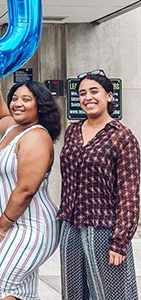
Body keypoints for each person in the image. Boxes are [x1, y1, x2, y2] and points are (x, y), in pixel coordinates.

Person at [57, 70, 140, 299]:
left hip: (104, 228)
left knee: (110, 294)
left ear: (109, 96)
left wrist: (120, 240)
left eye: (94, 91)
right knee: (73, 294)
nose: (87, 97)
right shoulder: (72, 131)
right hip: (71, 226)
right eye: (82, 93)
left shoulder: (122, 136)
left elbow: (129, 192)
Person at [0, 76, 61, 299]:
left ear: (40, 106)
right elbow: (0, 117)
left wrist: (1, 227)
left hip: (32, 226)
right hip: (15, 223)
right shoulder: (14, 129)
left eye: (26, 99)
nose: (18, 104)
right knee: (20, 290)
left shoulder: (36, 137)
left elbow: (26, 189)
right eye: (14, 98)